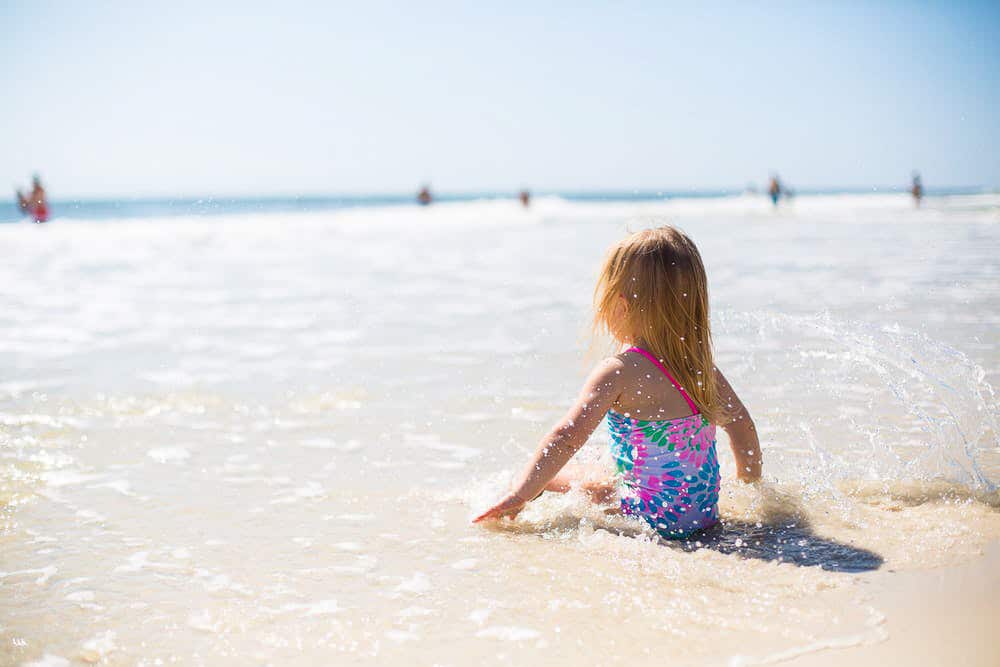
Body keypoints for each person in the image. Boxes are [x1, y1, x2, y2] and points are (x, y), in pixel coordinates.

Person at [473, 226, 762, 539]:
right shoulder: (703, 370)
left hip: (649, 521)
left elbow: (567, 437)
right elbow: (742, 427)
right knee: (604, 464)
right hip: (702, 519)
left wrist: (521, 494)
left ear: (621, 306)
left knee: (550, 478)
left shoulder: (618, 372)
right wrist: (750, 491)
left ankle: (515, 495)